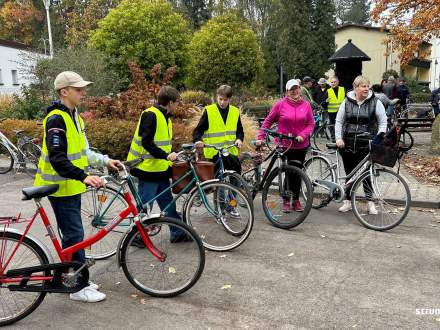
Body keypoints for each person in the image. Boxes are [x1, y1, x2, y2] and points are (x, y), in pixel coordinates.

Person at [34, 71, 122, 303]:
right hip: (59, 187)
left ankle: (76, 276)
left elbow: (84, 151)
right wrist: (83, 176)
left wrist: (105, 160)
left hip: (71, 186)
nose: (83, 92)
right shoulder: (56, 119)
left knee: (75, 234)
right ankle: (77, 287)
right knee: (74, 235)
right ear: (65, 92)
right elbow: (58, 158)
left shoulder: (75, 117)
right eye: (79, 89)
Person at [127, 86, 189, 242]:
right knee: (145, 205)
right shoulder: (150, 115)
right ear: (169, 102)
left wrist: (169, 156)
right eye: (177, 102)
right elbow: (146, 142)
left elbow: (161, 144)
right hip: (146, 169)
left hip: (159, 168)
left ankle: (177, 232)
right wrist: (166, 155)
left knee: (167, 202)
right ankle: (137, 236)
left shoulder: (165, 116)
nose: (177, 106)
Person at [256, 79, 314, 212]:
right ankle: (287, 200)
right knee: (288, 172)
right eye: (291, 89)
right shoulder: (280, 105)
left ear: (300, 89)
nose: (294, 91)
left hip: (300, 145)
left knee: (298, 173)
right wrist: (261, 137)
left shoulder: (306, 105)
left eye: (296, 88)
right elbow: (268, 122)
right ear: (287, 91)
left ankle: (297, 200)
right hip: (285, 145)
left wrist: (302, 135)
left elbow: (310, 124)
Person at [335, 76, 388, 214]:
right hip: (347, 143)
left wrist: (379, 139)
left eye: (367, 86)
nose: (366, 89)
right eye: (363, 86)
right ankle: (347, 201)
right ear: (355, 87)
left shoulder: (375, 102)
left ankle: (370, 203)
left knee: (366, 174)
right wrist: (338, 138)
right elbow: (339, 122)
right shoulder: (346, 102)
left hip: (366, 144)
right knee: (349, 174)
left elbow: (383, 123)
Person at [193, 85, 244, 175]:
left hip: (231, 153)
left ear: (230, 99)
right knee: (219, 185)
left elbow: (239, 130)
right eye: (220, 99)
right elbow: (198, 131)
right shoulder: (209, 111)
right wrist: (198, 140)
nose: (222, 102)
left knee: (236, 182)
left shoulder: (235, 111)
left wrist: (239, 139)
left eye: (225, 100)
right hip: (214, 155)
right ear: (217, 97)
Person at [327, 76, 346, 141]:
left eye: (334, 82)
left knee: (341, 125)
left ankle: (341, 138)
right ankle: (333, 139)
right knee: (332, 126)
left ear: (338, 82)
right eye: (332, 82)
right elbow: (323, 102)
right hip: (332, 112)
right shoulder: (328, 91)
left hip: (341, 111)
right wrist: (325, 101)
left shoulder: (342, 89)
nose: (333, 83)